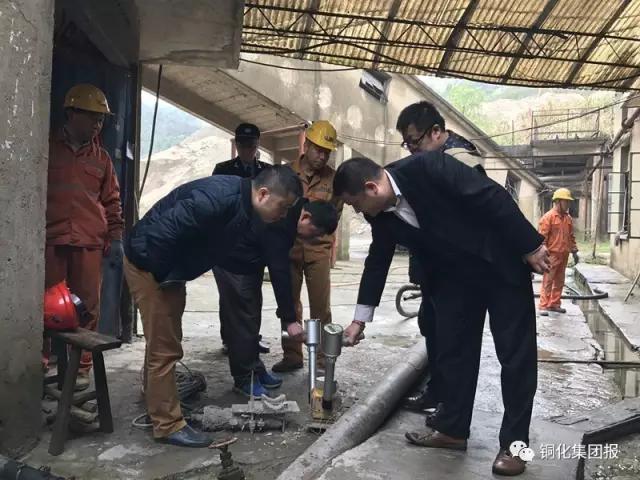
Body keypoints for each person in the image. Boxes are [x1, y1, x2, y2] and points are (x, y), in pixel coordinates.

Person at [334, 155, 549, 476]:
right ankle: (453, 429)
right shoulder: (380, 216)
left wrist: (530, 245)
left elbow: (491, 195)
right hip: (454, 280)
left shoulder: (429, 168)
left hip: (499, 264)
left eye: (355, 203)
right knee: (453, 352)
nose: (357, 211)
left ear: (371, 188)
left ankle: (515, 446)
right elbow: (377, 261)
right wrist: (359, 319)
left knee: (515, 356)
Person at [123, 166, 304, 447]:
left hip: (167, 270)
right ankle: (168, 425)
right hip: (150, 266)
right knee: (165, 347)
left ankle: (156, 400)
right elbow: (162, 235)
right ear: (263, 194)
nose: (283, 215)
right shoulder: (216, 200)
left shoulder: (245, 206)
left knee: (165, 341)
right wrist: (166, 280)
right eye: (283, 207)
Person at [396, 101, 484, 412]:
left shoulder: (462, 161)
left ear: (436, 132)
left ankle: (452, 413)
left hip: (459, 272)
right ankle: (437, 392)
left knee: (455, 340)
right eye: (406, 144)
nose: (411, 150)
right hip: (434, 270)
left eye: (414, 142)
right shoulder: (429, 161)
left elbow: (471, 219)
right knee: (431, 326)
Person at [45, 84, 124, 390]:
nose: (97, 125)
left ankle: (81, 370)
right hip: (51, 240)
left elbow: (112, 202)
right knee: (47, 306)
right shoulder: (46, 149)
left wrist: (116, 238)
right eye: (92, 117)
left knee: (87, 308)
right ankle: (42, 364)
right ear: (71, 113)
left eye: (101, 120)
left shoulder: (101, 159)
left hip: (89, 243)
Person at [215, 200, 338, 396]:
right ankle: (244, 378)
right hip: (231, 257)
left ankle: (255, 369)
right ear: (306, 217)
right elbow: (279, 270)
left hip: (251, 257)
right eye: (314, 233)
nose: (312, 239)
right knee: (242, 317)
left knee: (253, 313)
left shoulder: (294, 212)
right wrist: (290, 320)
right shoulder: (284, 218)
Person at [272, 120, 343, 373]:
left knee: (321, 307)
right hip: (289, 248)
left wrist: (324, 241)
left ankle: (322, 360)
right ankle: (292, 355)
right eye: (319, 150)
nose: (322, 156)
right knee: (289, 305)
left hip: (318, 250)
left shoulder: (334, 180)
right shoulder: (286, 173)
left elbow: (334, 215)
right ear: (307, 146)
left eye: (327, 152)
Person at [212, 123, 271, 355]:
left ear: (258, 146)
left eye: (252, 145)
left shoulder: (267, 172)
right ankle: (230, 339)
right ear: (237, 145)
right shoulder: (223, 169)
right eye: (244, 145)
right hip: (230, 242)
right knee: (229, 295)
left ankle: (251, 338)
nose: (248, 150)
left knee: (253, 294)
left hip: (256, 243)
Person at [538, 188, 578, 316]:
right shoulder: (548, 217)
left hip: (564, 254)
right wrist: (543, 254)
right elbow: (542, 238)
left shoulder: (568, 218)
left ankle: (554, 304)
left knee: (559, 281)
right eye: (566, 201)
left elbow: (571, 236)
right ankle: (543, 305)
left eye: (569, 202)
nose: (568, 204)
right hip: (552, 255)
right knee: (548, 280)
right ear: (558, 201)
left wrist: (574, 251)